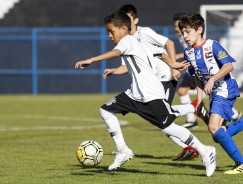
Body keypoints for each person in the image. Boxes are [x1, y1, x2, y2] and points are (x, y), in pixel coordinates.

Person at [75, 11, 216, 177]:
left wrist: (91, 60)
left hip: (151, 94)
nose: (109, 35)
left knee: (169, 128)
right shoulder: (137, 42)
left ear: (123, 29)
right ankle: (123, 150)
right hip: (134, 94)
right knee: (105, 110)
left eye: (111, 31)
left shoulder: (126, 40)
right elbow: (159, 52)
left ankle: (205, 150)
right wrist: (172, 63)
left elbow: (115, 53)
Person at [179, 13, 243, 174]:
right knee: (218, 135)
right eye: (183, 33)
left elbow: (229, 66)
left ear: (199, 29)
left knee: (214, 128)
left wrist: (212, 79)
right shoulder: (189, 53)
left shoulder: (213, 45)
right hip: (213, 93)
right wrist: (200, 100)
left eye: (188, 32)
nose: (185, 36)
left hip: (226, 88)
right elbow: (198, 79)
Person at [173, 13, 198, 129]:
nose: (176, 29)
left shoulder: (192, 35)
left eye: (178, 26)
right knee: (182, 90)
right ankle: (191, 120)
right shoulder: (183, 37)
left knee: (214, 96)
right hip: (192, 69)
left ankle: (236, 116)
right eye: (175, 26)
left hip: (199, 68)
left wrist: (176, 57)